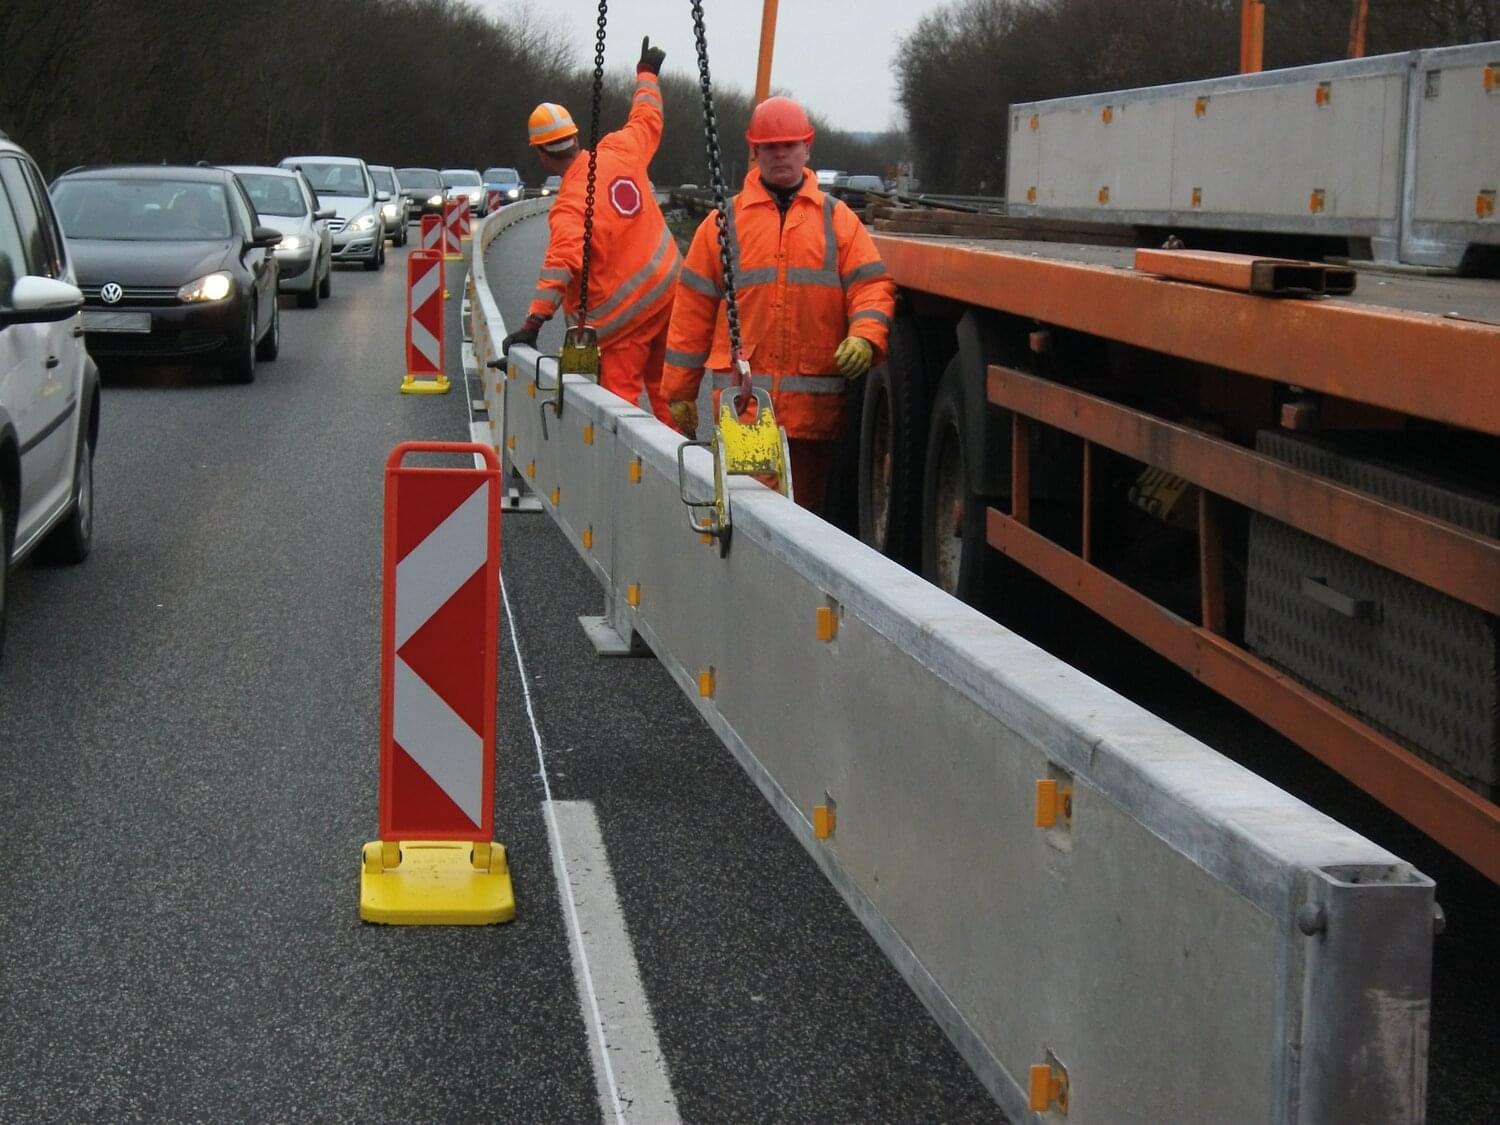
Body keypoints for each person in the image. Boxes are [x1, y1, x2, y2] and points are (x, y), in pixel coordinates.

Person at [661, 96, 896, 515]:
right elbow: (692, 311)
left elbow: (872, 288)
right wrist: (678, 391)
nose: (780, 154)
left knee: (805, 520)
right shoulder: (724, 224)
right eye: (770, 147)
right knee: (749, 517)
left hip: (814, 416)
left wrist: (865, 337)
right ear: (755, 152)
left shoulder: (837, 221)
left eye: (789, 145)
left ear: (807, 147)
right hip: (747, 407)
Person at [502, 37, 681, 426]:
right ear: (577, 137)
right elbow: (647, 117)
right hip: (668, 293)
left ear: (542, 153)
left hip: (622, 321)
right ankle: (688, 468)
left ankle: (629, 482)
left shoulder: (569, 203)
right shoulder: (620, 150)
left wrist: (532, 323)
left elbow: (560, 264)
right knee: (670, 392)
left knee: (621, 411)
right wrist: (647, 74)